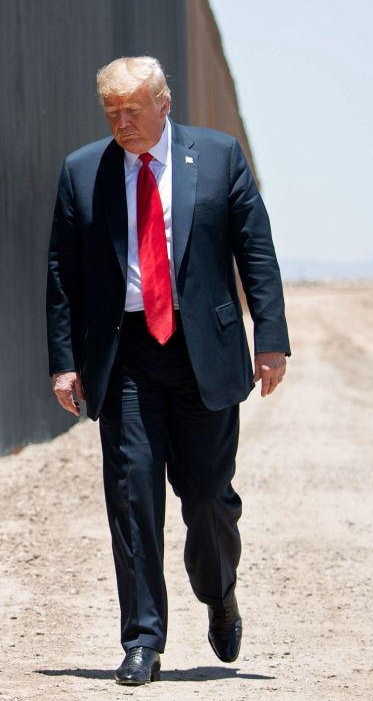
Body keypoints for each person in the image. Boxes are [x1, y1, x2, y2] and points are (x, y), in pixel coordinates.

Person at [45, 56, 290, 685]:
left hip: (201, 350)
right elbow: (61, 276)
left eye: (133, 110)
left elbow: (254, 251)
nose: (122, 123)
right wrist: (65, 362)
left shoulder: (218, 157)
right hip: (125, 355)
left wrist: (271, 340)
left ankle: (219, 590)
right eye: (112, 113)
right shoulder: (82, 172)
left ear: (165, 103)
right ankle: (143, 640)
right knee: (132, 498)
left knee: (208, 498)